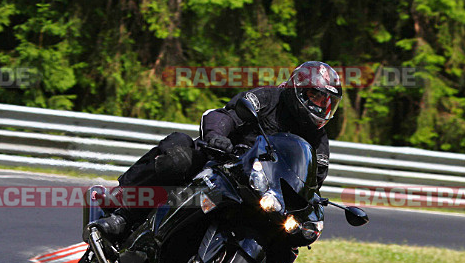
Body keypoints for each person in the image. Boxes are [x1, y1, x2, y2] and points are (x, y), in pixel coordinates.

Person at [93, 61, 343, 236]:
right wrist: (217, 137)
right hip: (224, 162)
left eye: (327, 101)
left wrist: (311, 203)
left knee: (290, 237)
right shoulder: (269, 97)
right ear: (298, 88)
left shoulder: (318, 138)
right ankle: (123, 209)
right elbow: (226, 115)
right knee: (179, 155)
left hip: (263, 189)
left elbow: (313, 179)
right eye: (316, 97)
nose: (321, 106)